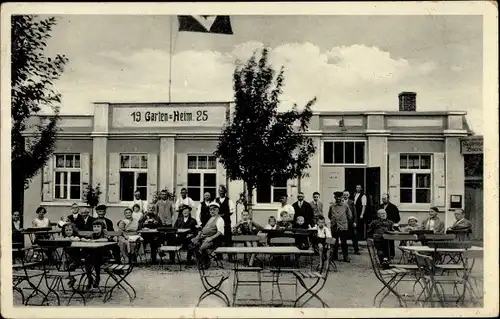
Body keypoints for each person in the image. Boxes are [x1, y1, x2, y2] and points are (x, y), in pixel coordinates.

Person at [189, 202, 225, 269]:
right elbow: (205, 229)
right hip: (203, 237)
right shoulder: (211, 218)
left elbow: (220, 232)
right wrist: (199, 235)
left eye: (214, 209)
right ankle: (203, 261)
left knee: (202, 248)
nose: (212, 211)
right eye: (210, 209)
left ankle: (205, 263)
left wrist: (211, 238)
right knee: (191, 244)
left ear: (218, 210)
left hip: (213, 240)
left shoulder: (220, 219)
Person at [82, 220, 111, 290]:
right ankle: (90, 279)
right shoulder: (92, 235)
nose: (96, 228)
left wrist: (94, 241)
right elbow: (84, 238)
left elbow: (106, 240)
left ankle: (97, 277)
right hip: (93, 256)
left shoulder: (104, 233)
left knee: (94, 258)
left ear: (102, 228)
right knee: (87, 261)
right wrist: (86, 240)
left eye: (98, 226)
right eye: (94, 226)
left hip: (104, 256)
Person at [328, 191, 353, 263]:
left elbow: (350, 216)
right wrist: (333, 221)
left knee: (344, 242)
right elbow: (329, 216)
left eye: (339, 198)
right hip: (335, 226)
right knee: (334, 242)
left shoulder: (345, 206)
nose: (338, 199)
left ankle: (346, 257)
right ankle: (334, 256)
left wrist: (344, 222)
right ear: (335, 198)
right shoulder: (332, 206)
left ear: (341, 198)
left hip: (343, 227)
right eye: (336, 198)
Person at [215, 185, 235, 260]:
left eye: (222, 191)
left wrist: (224, 214)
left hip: (226, 223)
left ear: (225, 192)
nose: (221, 192)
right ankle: (219, 256)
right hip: (218, 223)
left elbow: (232, 211)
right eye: (220, 191)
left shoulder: (229, 200)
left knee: (228, 240)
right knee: (218, 239)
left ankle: (230, 257)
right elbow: (213, 209)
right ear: (218, 192)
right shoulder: (216, 200)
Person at [380, 193, 401, 259]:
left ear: (388, 199)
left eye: (385, 199)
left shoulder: (393, 207)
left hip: (390, 226)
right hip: (381, 226)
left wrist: (393, 224)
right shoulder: (380, 206)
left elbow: (398, 218)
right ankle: (384, 254)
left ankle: (391, 254)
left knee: (390, 241)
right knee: (382, 240)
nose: (383, 200)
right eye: (382, 199)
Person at [343, 190, 360, 255]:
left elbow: (355, 213)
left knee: (354, 236)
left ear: (349, 195)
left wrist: (355, 222)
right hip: (343, 222)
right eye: (344, 195)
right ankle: (344, 251)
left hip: (350, 222)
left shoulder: (351, 202)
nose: (345, 196)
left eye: (347, 195)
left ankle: (356, 250)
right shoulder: (341, 202)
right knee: (343, 237)